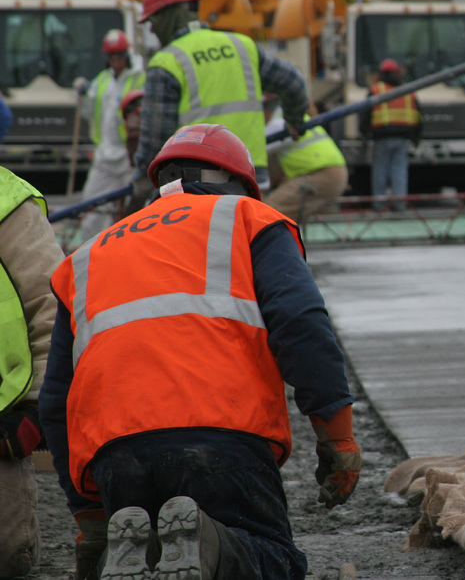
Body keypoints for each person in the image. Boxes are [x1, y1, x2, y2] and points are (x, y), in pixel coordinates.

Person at [39, 125, 360, 580]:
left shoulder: (88, 255)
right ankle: (211, 543)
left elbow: (55, 397)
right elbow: (302, 321)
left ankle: (138, 549)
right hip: (221, 435)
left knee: (154, 551)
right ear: (239, 185)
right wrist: (337, 435)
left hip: (114, 451)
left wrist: (90, 519)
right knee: (271, 556)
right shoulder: (249, 218)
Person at [133, 0, 310, 202]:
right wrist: (295, 121)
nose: (153, 29)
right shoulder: (241, 45)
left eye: (153, 20)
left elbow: (155, 139)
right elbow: (294, 83)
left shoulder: (166, 62)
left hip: (195, 183)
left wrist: (141, 181)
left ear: (169, 14)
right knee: (245, 236)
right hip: (249, 177)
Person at [0, 166, 64, 578]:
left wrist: (37, 399)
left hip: (1, 413)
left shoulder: (6, 201)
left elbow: (52, 305)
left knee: (7, 556)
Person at [73, 29, 145, 239]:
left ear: (127, 57)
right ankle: (89, 250)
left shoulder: (138, 79)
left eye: (119, 58)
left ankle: (127, 248)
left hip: (129, 157)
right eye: (112, 58)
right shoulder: (102, 81)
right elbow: (89, 112)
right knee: (92, 205)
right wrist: (84, 94)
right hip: (105, 156)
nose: (116, 62)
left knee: (132, 211)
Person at [265, 94, 348, 222]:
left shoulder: (279, 124)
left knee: (266, 215)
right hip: (330, 173)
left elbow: (255, 151)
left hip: (320, 174)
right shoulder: (298, 119)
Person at [358, 59, 423, 211]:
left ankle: (379, 204)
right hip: (402, 137)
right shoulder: (407, 90)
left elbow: (365, 113)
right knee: (399, 170)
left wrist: (364, 133)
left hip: (381, 137)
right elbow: (419, 116)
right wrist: (416, 138)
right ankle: (399, 203)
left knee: (380, 169)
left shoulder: (376, 89)